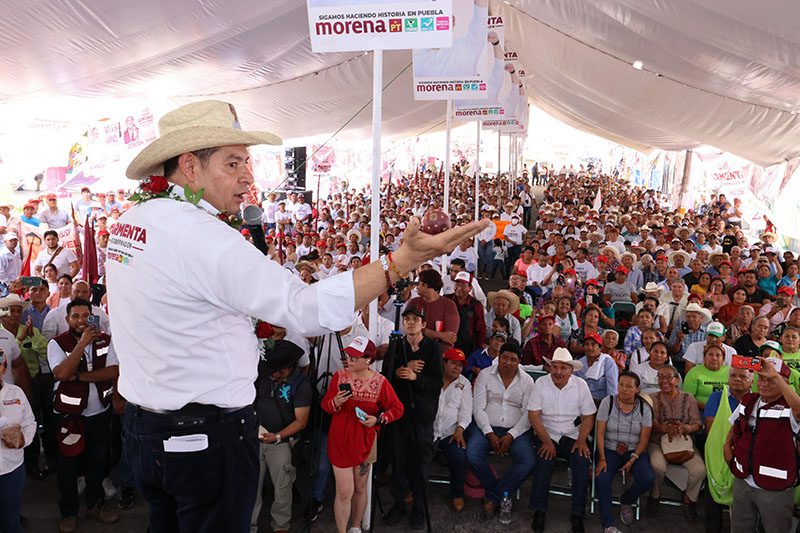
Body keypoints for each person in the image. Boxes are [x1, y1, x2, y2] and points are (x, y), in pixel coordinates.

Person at [108, 100, 489, 531]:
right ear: (190, 165)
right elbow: (306, 309)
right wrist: (401, 260)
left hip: (145, 429)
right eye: (232, 163)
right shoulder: (202, 236)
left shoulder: (132, 219)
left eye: (247, 162)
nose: (248, 176)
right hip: (204, 439)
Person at [48, 298, 120, 532]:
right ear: (67, 319)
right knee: (68, 465)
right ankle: (69, 512)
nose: (81, 321)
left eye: (85, 316)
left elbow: (113, 371)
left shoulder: (106, 340)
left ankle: (94, 506)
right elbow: (61, 373)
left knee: (97, 462)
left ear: (93, 316)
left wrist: (78, 376)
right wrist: (82, 344)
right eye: (75, 316)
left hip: (100, 413)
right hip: (69, 415)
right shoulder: (57, 343)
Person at [322, 337, 404, 533]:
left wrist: (379, 419)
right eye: (348, 355)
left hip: (365, 441)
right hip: (341, 440)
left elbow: (397, 408)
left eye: (355, 356)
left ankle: (356, 527)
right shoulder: (339, 376)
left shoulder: (380, 382)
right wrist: (336, 402)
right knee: (344, 491)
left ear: (368, 359)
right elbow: (326, 406)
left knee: (360, 488)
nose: (349, 359)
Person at [383, 305, 443, 530]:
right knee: (398, 462)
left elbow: (436, 384)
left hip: (422, 416)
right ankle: (399, 503)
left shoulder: (432, 348)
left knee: (420, 464)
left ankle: (419, 507)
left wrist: (415, 377)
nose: (410, 322)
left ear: (424, 324)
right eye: (407, 318)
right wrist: (401, 370)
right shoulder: (396, 346)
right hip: (399, 415)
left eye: (415, 319)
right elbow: (386, 379)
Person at [725, 357, 800, 533]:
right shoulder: (749, 400)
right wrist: (727, 447)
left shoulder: (790, 408)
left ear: (784, 382)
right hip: (743, 481)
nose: (764, 384)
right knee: (740, 527)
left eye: (771, 380)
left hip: (776, 488)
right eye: (762, 378)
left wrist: (776, 377)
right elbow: (735, 425)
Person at [528, 347, 596, 533]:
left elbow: (589, 416)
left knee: (581, 462)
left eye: (563, 368)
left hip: (572, 435)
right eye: (555, 366)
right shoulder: (541, 383)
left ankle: (577, 514)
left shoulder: (580, 385)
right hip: (547, 433)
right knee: (543, 461)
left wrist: (581, 440)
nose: (558, 371)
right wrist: (546, 441)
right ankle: (539, 511)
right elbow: (533, 415)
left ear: (571, 370)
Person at [466, 340, 535, 517]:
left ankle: (493, 497)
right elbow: (478, 408)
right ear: (499, 356)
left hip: (516, 430)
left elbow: (528, 414)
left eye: (513, 359)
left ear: (519, 361)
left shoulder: (527, 381)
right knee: (472, 453)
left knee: (528, 461)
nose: (508, 362)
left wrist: (511, 435)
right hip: (485, 426)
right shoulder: (485, 375)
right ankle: (499, 491)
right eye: (505, 357)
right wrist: (489, 433)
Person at [250, 340, 311, 533]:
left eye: (274, 371)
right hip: (256, 437)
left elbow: (301, 421)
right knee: (252, 486)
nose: (270, 374)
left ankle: (281, 526)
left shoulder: (301, 385)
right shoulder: (263, 377)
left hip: (282, 442)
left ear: (286, 369)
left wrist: (276, 436)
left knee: (282, 487)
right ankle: (249, 526)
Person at [594, 372, 654, 533]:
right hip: (609, 448)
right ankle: (608, 525)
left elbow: (644, 439)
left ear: (637, 389)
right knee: (602, 478)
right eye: (621, 384)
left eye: (629, 386)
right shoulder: (608, 402)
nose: (624, 389)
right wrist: (601, 458)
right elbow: (600, 433)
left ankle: (626, 499)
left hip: (634, 449)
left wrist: (633, 459)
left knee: (647, 478)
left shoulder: (644, 408)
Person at [647, 365, 705, 521]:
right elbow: (648, 424)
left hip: (683, 443)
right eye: (660, 377)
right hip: (658, 442)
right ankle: (655, 496)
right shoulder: (651, 398)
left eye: (668, 377)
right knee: (657, 466)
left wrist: (686, 428)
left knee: (699, 469)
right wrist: (663, 428)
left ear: (677, 380)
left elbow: (698, 424)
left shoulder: (688, 397)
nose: (664, 381)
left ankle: (689, 498)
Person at [432, 348, 473, 512]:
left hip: (451, 431)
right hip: (430, 430)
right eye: (453, 363)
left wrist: (460, 429)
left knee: (459, 457)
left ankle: (457, 494)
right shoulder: (433, 378)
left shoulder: (464, 383)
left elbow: (466, 410)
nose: (457, 368)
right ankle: (412, 489)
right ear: (444, 363)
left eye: (460, 365)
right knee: (416, 454)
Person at [0, 351, 36, 533]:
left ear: (4, 367)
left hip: (12, 469)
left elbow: (30, 423)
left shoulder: (16, 393)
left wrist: (23, 440)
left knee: (11, 521)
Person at [404, 269, 460, 351]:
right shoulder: (413, 303)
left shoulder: (449, 305)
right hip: (414, 350)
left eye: (419, 283)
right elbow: (409, 328)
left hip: (440, 353)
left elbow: (450, 338)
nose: (417, 286)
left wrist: (422, 330)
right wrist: (440, 335)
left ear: (427, 285)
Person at [444, 271, 486, 356]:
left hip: (467, 347)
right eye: (457, 284)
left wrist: (478, 350)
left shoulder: (476, 305)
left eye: (463, 286)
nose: (459, 288)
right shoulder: (446, 300)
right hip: (446, 344)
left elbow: (480, 329)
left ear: (470, 288)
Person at [682, 344, 730, 416]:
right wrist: (707, 407)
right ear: (704, 358)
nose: (714, 358)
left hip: (727, 410)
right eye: (710, 355)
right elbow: (688, 398)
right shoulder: (694, 372)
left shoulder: (731, 372)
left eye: (718, 355)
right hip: (700, 410)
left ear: (723, 359)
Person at [574, 332, 619, 402]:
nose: (589, 347)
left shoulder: (608, 362)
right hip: (582, 401)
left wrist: (610, 405)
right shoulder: (579, 363)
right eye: (586, 344)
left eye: (593, 344)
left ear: (600, 348)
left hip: (601, 402)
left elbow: (612, 387)